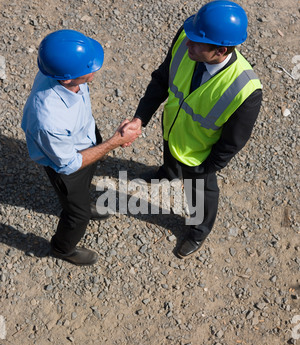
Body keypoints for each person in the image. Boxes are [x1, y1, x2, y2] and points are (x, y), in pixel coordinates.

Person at [122, 0, 262, 259]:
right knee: (170, 162)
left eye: (197, 43)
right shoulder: (188, 37)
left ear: (221, 50)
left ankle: (198, 231)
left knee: (201, 193)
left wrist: (206, 169)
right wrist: (140, 117)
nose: (188, 44)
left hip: (199, 156)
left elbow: (232, 143)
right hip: (172, 132)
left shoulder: (245, 90)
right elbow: (163, 78)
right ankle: (167, 174)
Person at [22, 30, 141, 266]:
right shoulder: (49, 119)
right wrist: (114, 141)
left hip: (82, 141)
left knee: (86, 184)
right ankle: (62, 249)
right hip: (68, 163)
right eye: (89, 68)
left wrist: (103, 143)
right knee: (77, 215)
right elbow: (69, 164)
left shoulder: (63, 73)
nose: (95, 70)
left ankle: (82, 201)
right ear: (66, 79)